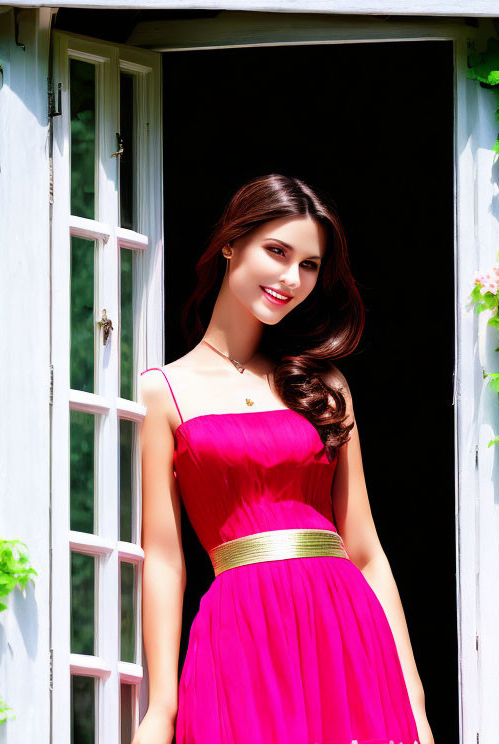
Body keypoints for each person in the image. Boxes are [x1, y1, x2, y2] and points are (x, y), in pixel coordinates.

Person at [134, 174, 433, 744]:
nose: (291, 279)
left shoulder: (325, 386)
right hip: (239, 634)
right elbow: (165, 559)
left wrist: (414, 704)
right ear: (230, 243)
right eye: (277, 251)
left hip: (344, 628)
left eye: (311, 265)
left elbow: (366, 553)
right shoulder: (162, 392)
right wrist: (161, 709)